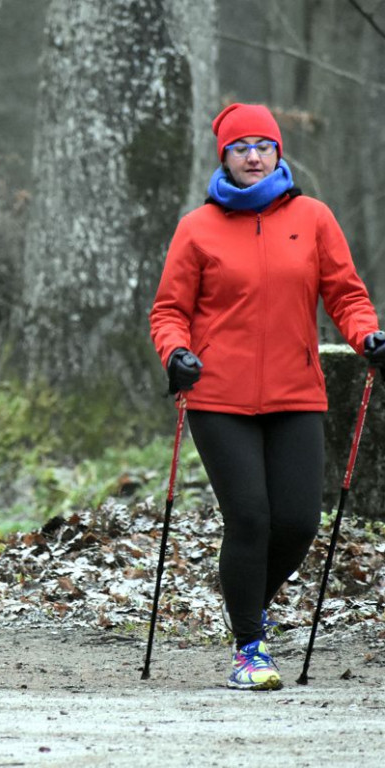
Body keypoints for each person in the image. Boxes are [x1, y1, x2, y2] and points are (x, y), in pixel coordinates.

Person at [150, 103, 385, 691]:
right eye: (240, 147)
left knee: (301, 522)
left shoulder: (313, 217)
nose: (253, 155)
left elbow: (347, 296)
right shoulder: (196, 228)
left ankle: (246, 599)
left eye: (263, 145)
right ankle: (248, 647)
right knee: (250, 517)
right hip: (217, 396)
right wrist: (176, 354)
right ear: (223, 156)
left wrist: (367, 335)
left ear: (279, 152)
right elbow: (169, 312)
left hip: (295, 392)